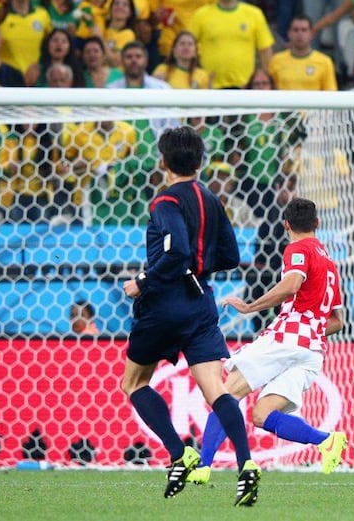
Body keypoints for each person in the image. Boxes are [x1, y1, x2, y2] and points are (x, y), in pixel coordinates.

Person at [120, 126, 259, 506]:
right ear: (200, 161)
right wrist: (198, 267)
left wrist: (142, 282)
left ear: (163, 162)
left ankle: (179, 454)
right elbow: (230, 256)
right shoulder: (211, 199)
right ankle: (247, 465)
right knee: (216, 391)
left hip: (164, 305)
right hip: (201, 306)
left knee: (133, 384)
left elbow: (177, 251)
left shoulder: (164, 202)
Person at [185, 197, 348, 485]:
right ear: (317, 224)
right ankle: (326, 441)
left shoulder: (297, 248)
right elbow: (337, 321)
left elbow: (292, 285)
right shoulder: (329, 263)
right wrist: (309, 332)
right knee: (262, 415)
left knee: (226, 393)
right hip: (312, 351)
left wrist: (249, 307)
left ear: (286, 225)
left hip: (288, 338)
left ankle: (204, 465)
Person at [188, 0, 274, 89]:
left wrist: (268, 80)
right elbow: (189, 46)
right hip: (210, 86)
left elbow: (265, 50)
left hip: (244, 86)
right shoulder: (201, 15)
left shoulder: (255, 14)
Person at [269, 14, 337, 91]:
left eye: (304, 30)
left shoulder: (325, 62)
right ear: (289, 34)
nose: (300, 34)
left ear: (311, 34)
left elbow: (330, 94)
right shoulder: (276, 60)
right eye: (295, 30)